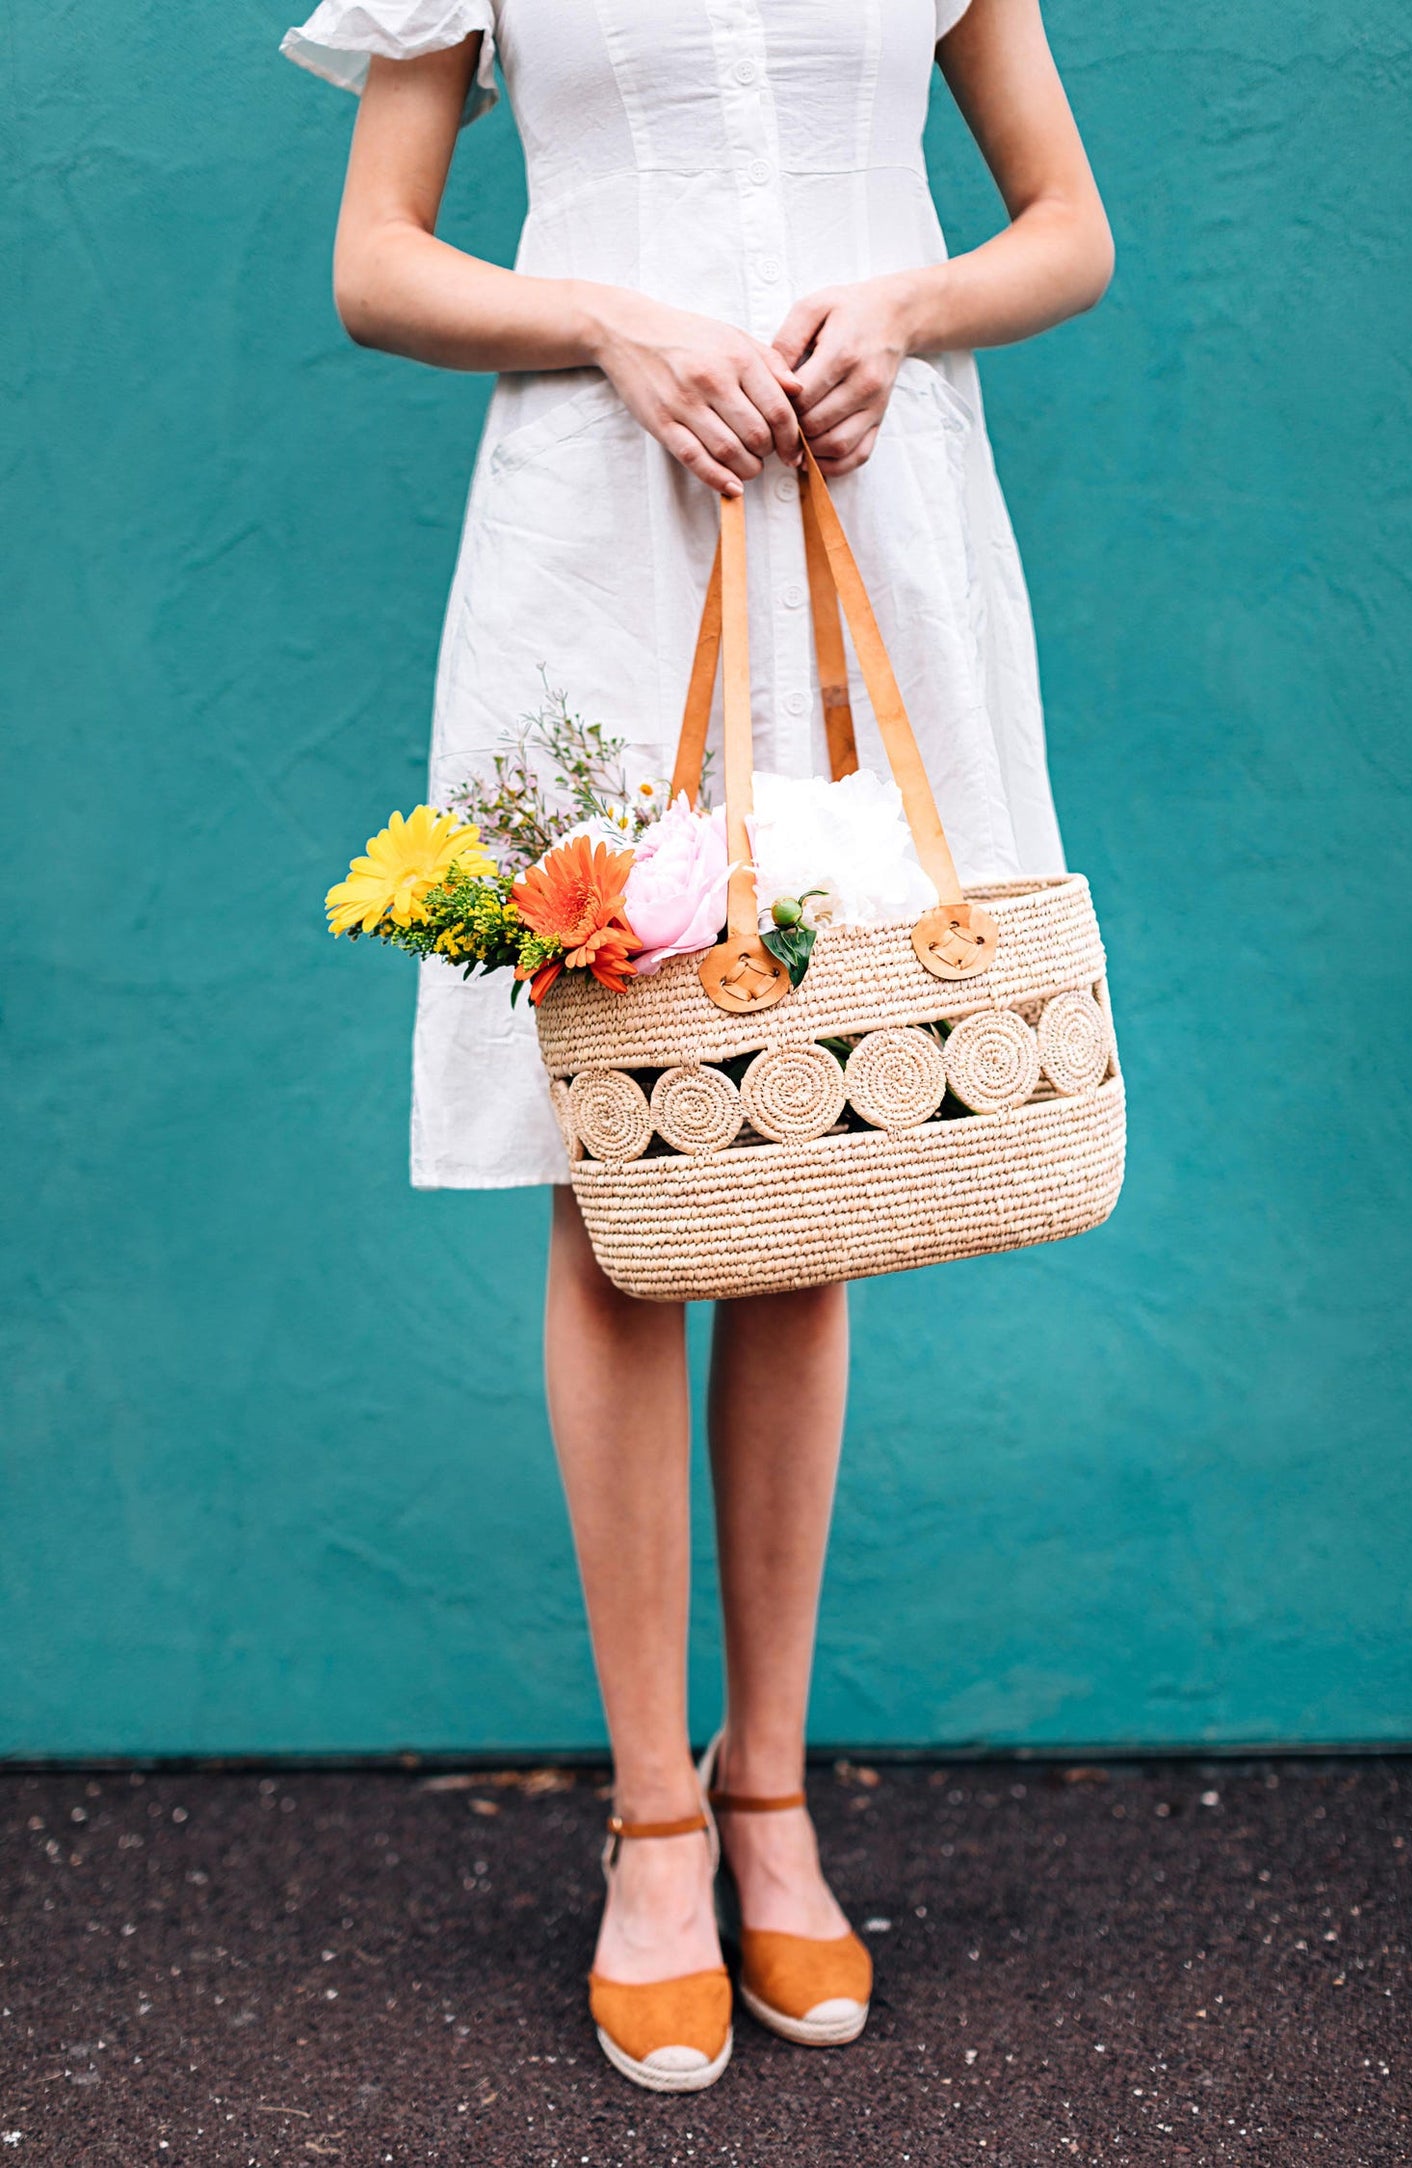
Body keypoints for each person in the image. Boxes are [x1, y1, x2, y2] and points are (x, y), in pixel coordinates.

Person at [283, 0, 1113, 2094]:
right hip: (603, 543)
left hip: (870, 517)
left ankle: (773, 1796)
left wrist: (907, 308)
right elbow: (378, 258)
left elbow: (1068, 227)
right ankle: (658, 1812)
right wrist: (607, 328)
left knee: (816, 1162)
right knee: (621, 1183)